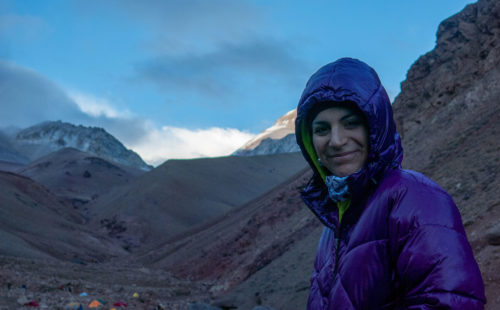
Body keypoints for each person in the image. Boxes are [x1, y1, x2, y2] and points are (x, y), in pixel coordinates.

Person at [294, 58, 486, 309]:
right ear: (310, 143)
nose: (337, 140)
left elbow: (451, 303)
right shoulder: (334, 223)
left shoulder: (414, 198)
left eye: (351, 123)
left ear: (375, 127)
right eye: (322, 129)